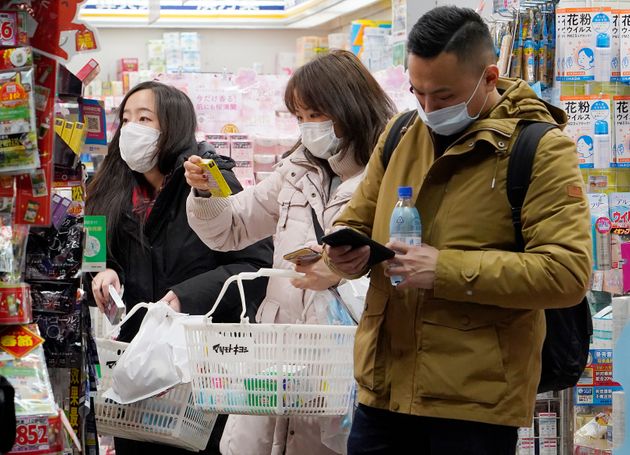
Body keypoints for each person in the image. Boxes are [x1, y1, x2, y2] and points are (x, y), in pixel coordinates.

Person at [325, 7, 593, 455]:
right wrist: (348, 253)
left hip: (474, 404)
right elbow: (358, 219)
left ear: (489, 77)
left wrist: (444, 269)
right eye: (418, 92)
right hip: (384, 390)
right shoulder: (400, 133)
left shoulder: (540, 149)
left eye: (444, 95)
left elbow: (567, 274)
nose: (429, 108)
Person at [184, 50, 396, 455]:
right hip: (277, 353)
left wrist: (341, 271)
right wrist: (205, 193)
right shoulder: (295, 172)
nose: (307, 126)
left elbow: (403, 260)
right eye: (299, 116)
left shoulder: (388, 174)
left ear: (350, 107)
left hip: (346, 359)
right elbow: (232, 228)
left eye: (316, 114)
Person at [85, 80, 273, 455]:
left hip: (201, 366)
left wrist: (186, 297)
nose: (131, 129)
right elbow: (94, 256)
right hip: (137, 368)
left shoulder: (207, 181)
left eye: (145, 118)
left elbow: (255, 265)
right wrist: (102, 272)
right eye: (126, 119)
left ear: (173, 125)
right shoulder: (109, 184)